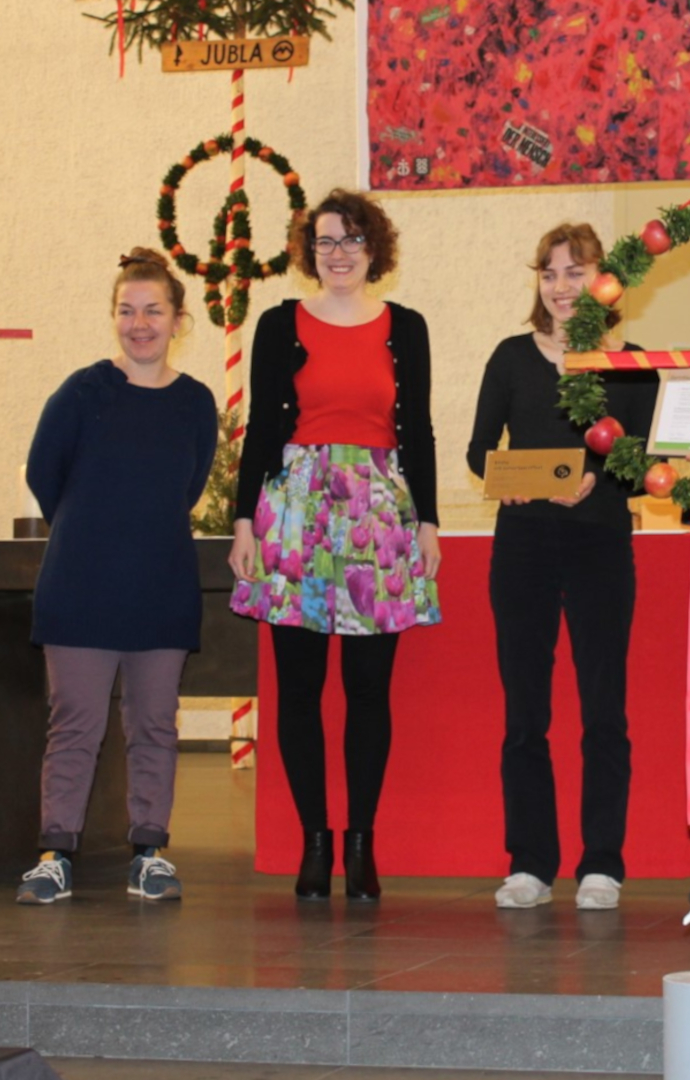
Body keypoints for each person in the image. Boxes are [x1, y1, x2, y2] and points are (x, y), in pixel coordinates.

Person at [230, 188, 441, 902]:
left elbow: (422, 429)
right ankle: (314, 841)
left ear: (373, 248)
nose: (340, 252)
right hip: (294, 511)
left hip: (378, 512)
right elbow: (261, 425)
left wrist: (429, 523)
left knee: (368, 690)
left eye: (352, 239)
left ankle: (363, 844)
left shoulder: (405, 327)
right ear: (308, 251)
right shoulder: (278, 324)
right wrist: (242, 523)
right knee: (297, 688)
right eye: (326, 241)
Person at [17, 249, 217, 905]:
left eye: (153, 310)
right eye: (127, 311)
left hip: (161, 584)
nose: (140, 323)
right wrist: (93, 531)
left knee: (155, 724)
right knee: (75, 724)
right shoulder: (83, 391)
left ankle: (149, 853)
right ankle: (56, 853)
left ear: (178, 320)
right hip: (80, 583)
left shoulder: (194, 402)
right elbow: (44, 475)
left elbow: (187, 486)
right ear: (114, 319)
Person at [467, 223, 657, 911]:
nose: (560, 285)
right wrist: (506, 481)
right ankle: (531, 864)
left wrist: (602, 479)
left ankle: (602, 862)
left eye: (575, 271)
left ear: (605, 280)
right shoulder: (512, 357)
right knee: (526, 714)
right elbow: (478, 451)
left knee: (604, 710)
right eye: (549, 272)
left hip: (601, 546)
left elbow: (642, 466)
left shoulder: (633, 365)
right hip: (522, 547)